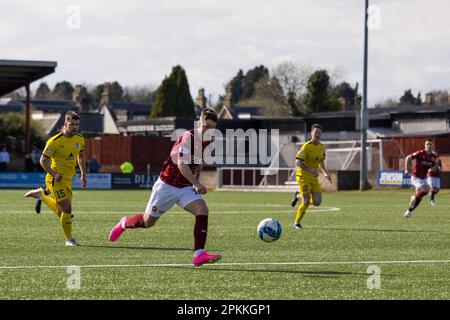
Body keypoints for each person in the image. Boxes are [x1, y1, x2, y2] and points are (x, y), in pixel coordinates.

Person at [109, 108, 222, 266]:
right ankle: (124, 223)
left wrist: (195, 182)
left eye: (212, 128)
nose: (209, 130)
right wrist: (197, 183)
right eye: (206, 126)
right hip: (166, 185)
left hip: (185, 188)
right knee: (148, 222)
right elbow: (182, 164)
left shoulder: (208, 142)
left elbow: (199, 164)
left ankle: (199, 254)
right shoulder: (187, 138)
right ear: (199, 123)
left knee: (202, 210)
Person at [24, 111, 87, 246]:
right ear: (65, 124)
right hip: (55, 180)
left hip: (68, 179)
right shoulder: (54, 141)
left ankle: (42, 195)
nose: (75, 127)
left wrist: (83, 173)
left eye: (77, 124)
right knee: (67, 209)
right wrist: (54, 173)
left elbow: (80, 156)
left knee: (62, 211)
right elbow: (42, 161)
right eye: (72, 124)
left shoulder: (79, 139)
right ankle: (69, 240)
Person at [290, 123, 331, 229]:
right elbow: (298, 162)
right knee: (306, 201)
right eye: (316, 132)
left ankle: (298, 196)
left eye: (319, 132)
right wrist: (310, 170)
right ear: (311, 132)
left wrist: (325, 173)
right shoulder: (306, 146)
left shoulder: (322, 147)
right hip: (303, 176)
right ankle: (296, 223)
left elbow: (321, 161)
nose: (317, 134)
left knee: (317, 202)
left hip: (313, 177)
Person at [404, 139, 439, 218]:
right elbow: (408, 157)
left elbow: (436, 165)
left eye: (430, 144)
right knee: (425, 190)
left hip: (424, 178)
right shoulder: (420, 153)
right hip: (416, 176)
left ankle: (408, 211)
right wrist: (407, 169)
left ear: (432, 146)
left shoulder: (434, 157)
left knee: (421, 196)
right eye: (427, 144)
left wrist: (433, 169)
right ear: (425, 145)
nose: (429, 146)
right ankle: (414, 197)